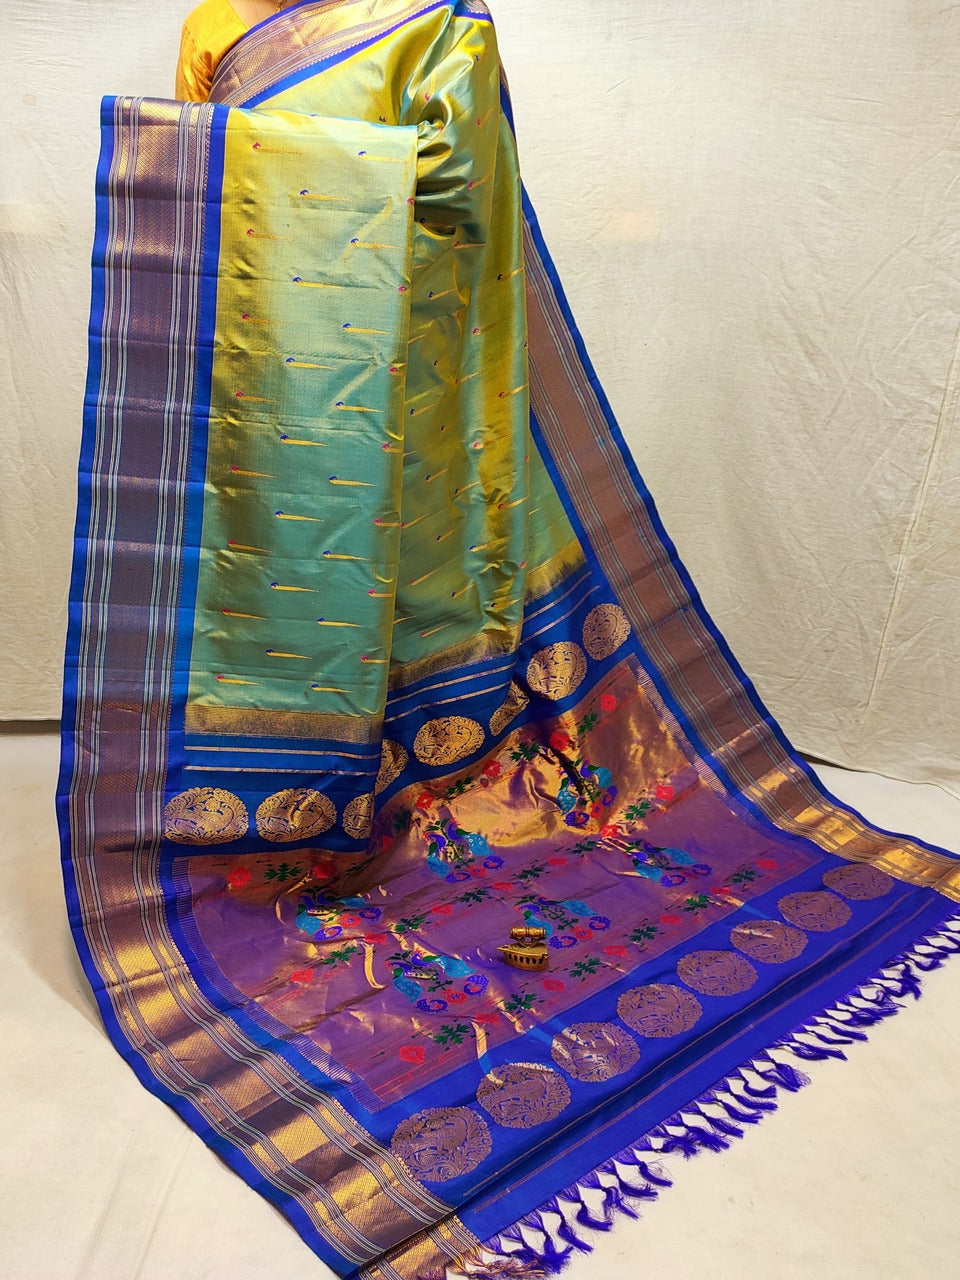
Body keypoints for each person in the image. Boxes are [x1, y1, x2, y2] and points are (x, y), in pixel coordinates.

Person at [59, 5, 960, 1279]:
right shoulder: (241, 18)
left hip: (411, 374)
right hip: (294, 385)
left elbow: (454, 199)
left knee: (422, 593)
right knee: (315, 589)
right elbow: (237, 205)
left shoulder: (427, 18)